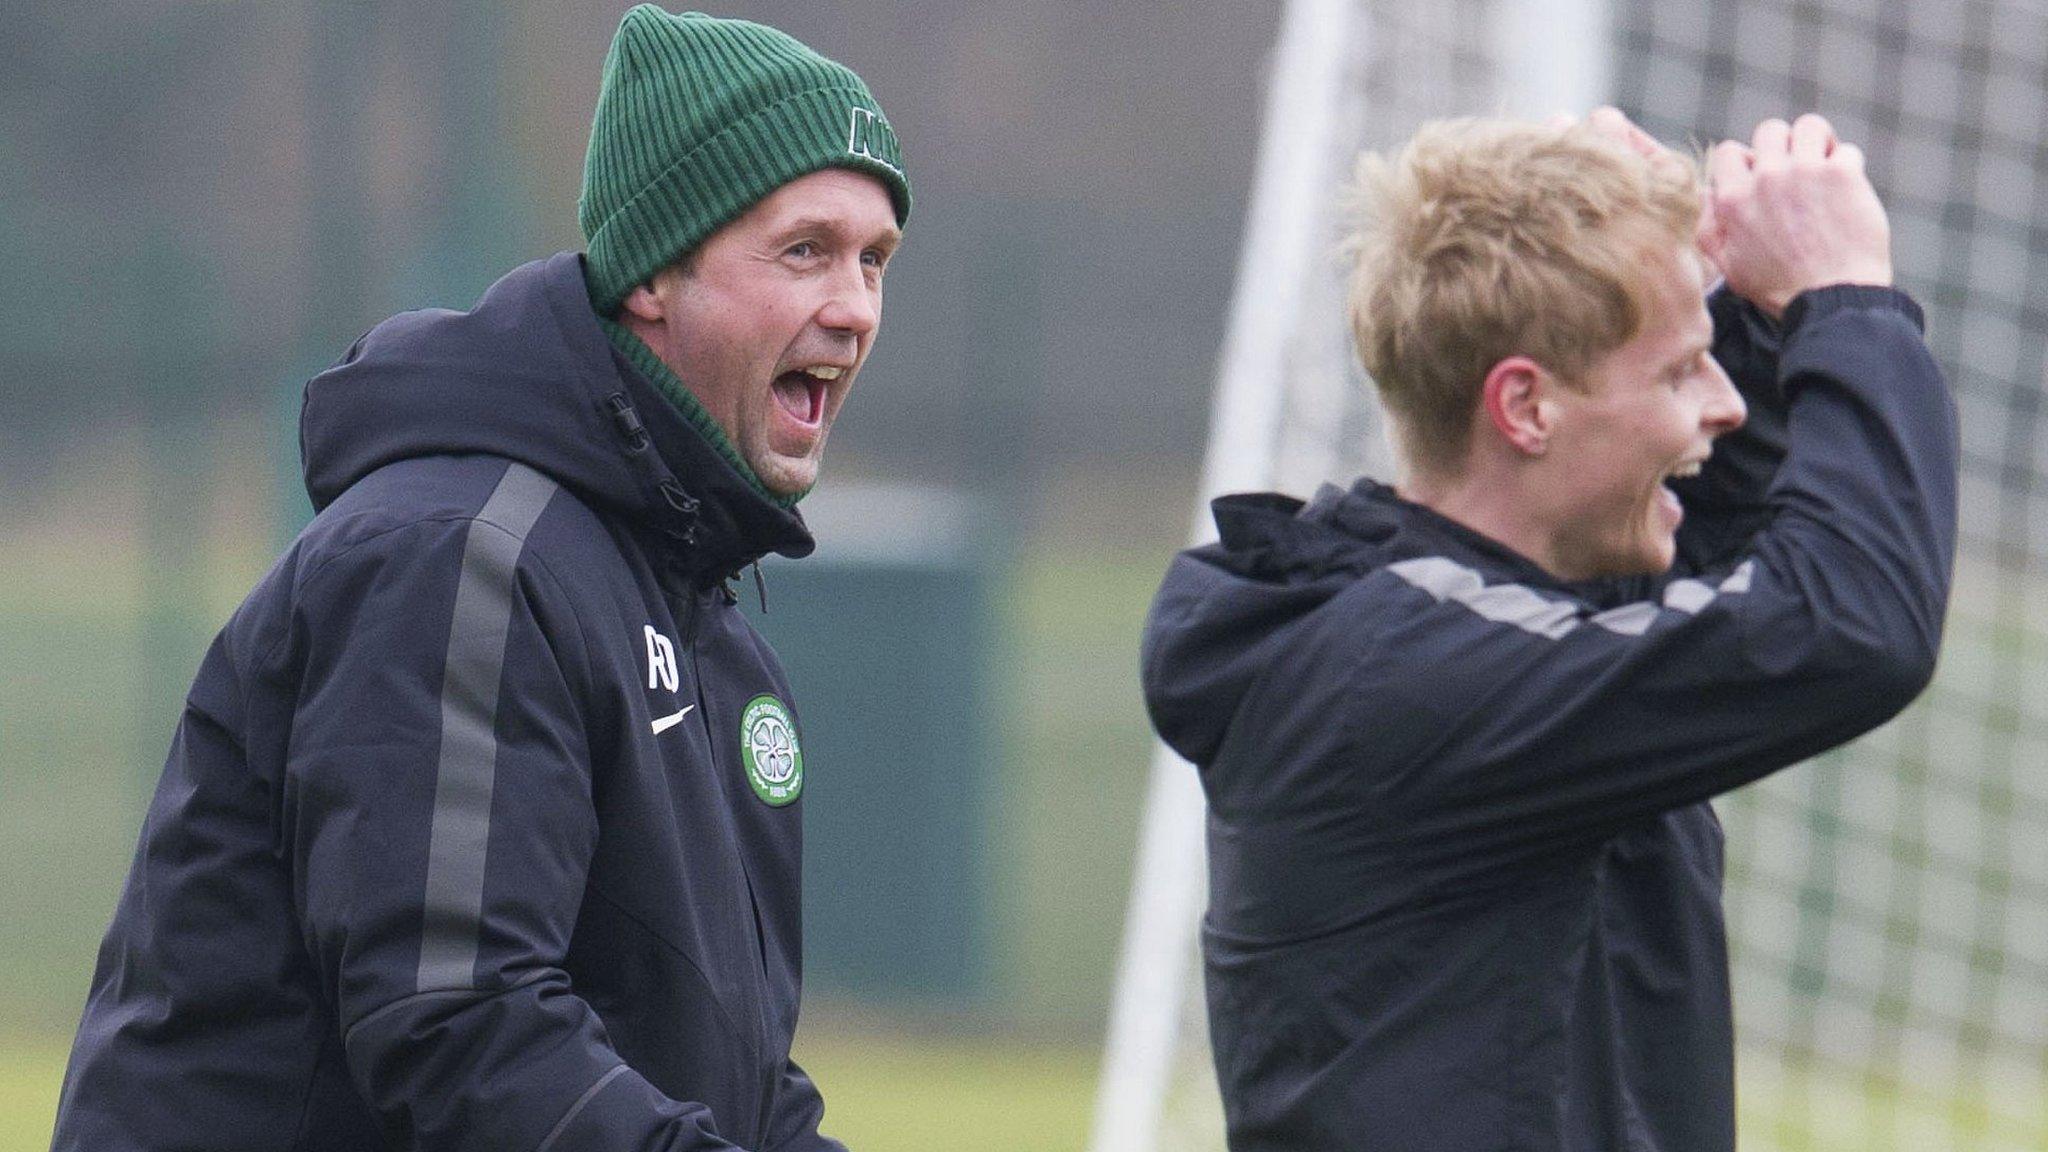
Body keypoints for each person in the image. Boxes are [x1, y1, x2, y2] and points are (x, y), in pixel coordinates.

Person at [50, 8, 908, 1151]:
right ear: (656, 270)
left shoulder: (704, 621)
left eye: (873, 259)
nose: (852, 306)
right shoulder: (460, 558)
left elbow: (739, 1089)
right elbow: (458, 1021)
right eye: (805, 249)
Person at [1141, 110, 1956, 1151]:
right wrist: (1846, 303)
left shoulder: (1495, 620)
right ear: (1524, 408)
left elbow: (1708, 544)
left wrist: (1738, 310)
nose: (1721, 409)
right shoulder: (1406, 682)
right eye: (1677, 373)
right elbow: (1846, 627)